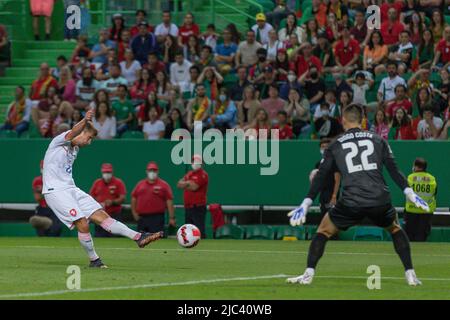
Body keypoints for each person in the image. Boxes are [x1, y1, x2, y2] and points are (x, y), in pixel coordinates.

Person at [286, 104, 430, 286]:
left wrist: (306, 202)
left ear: (342, 120)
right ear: (363, 120)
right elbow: (394, 170)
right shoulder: (378, 140)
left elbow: (321, 175)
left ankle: (307, 275)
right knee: (395, 229)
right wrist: (409, 191)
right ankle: (410, 274)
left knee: (323, 231)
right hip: (379, 199)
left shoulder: (335, 144)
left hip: (351, 201)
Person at [42, 109, 163, 268]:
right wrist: (85, 120)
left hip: (70, 189)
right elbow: (73, 133)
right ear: (80, 132)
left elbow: (78, 135)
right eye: (89, 137)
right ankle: (94, 260)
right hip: (54, 191)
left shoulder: (75, 149)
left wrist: (88, 127)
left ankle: (138, 237)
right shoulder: (57, 142)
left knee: (101, 216)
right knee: (82, 222)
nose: (89, 142)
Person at [131, 162, 176, 234]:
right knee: (142, 240)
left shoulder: (164, 185)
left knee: (157, 239)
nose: (152, 172)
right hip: (142, 217)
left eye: (154, 170)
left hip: (157, 218)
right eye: (150, 170)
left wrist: (171, 218)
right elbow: (133, 198)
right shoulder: (140, 184)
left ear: (157, 172)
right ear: (146, 171)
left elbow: (169, 201)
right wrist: (134, 213)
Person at [404, 158, 437, 242]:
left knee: (410, 237)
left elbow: (406, 191)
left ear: (417, 167)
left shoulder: (410, 177)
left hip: (411, 211)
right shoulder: (432, 178)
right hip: (426, 212)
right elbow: (434, 193)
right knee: (422, 238)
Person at [90, 163, 127, 237]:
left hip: (114, 214)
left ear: (112, 172)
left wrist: (112, 202)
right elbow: (91, 197)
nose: (107, 174)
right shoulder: (97, 183)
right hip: (100, 215)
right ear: (102, 172)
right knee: (100, 236)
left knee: (115, 236)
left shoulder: (118, 183)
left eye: (108, 172)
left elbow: (123, 198)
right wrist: (97, 203)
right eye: (105, 172)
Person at [177, 154, 208, 238]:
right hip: (188, 206)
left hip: (198, 207)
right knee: (188, 230)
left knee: (199, 229)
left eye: (198, 162)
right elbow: (179, 184)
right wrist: (188, 183)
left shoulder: (203, 174)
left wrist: (186, 183)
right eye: (194, 161)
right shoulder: (189, 174)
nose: (195, 163)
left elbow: (194, 187)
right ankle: (189, 243)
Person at [29, 160, 62, 237]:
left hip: (54, 208)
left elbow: (57, 196)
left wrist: (43, 191)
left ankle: (49, 224)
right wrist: (49, 191)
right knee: (40, 230)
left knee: (56, 229)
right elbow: (37, 197)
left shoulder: (56, 180)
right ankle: (47, 223)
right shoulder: (37, 181)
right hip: (43, 208)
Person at [309, 138, 340, 216]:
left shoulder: (334, 161)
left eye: (327, 146)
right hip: (323, 194)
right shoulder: (318, 164)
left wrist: (334, 196)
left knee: (331, 215)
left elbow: (337, 179)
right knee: (323, 214)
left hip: (331, 194)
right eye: (322, 147)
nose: (324, 148)